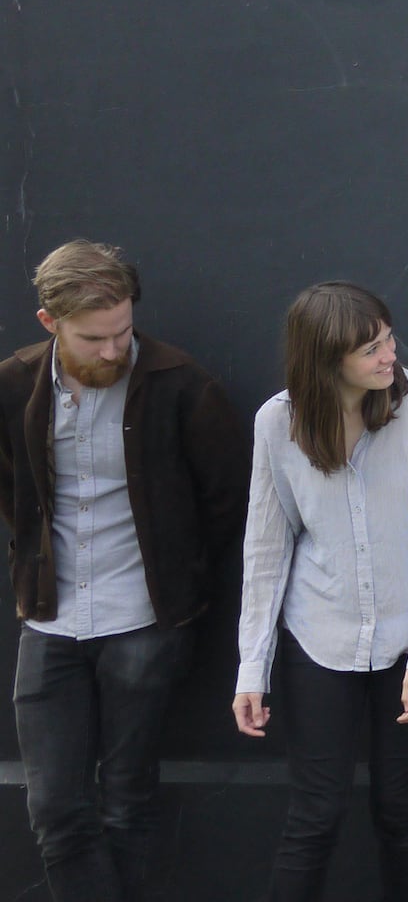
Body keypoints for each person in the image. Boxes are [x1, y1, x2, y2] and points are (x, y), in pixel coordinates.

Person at [0, 239, 249, 902]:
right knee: (54, 806)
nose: (113, 350)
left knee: (127, 798)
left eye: (123, 331)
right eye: (94, 338)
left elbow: (225, 496)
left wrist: (180, 576)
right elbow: (13, 489)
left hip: (144, 619)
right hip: (50, 620)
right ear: (49, 323)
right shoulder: (15, 384)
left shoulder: (179, 384)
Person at [233, 282, 408, 902]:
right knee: (315, 814)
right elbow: (266, 548)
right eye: (370, 350)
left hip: (406, 640)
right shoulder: (277, 422)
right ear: (325, 360)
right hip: (319, 636)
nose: (390, 356)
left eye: (388, 337)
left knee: (402, 808)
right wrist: (250, 667)